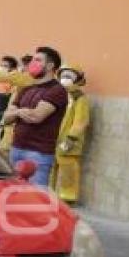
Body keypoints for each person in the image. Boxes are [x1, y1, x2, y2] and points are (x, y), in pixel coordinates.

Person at [2, 46, 69, 187]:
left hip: (39, 154)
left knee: (35, 198)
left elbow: (37, 117)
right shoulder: (26, 89)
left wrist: (17, 111)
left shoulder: (57, 90)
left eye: (38, 60)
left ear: (50, 65)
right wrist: (20, 112)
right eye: (33, 60)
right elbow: (7, 118)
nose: (33, 63)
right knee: (13, 194)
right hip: (16, 149)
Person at [50, 64, 90, 204]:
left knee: (68, 171)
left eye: (69, 76)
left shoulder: (80, 98)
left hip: (69, 141)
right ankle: (49, 195)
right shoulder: (58, 95)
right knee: (51, 168)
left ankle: (68, 198)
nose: (65, 78)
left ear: (77, 79)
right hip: (53, 138)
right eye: (63, 75)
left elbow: (81, 121)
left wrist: (71, 138)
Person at [0, 54, 35, 155]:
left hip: (16, 120)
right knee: (0, 147)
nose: (22, 68)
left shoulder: (27, 78)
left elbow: (9, 77)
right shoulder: (18, 83)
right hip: (8, 117)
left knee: (6, 151)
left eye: (25, 65)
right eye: (23, 65)